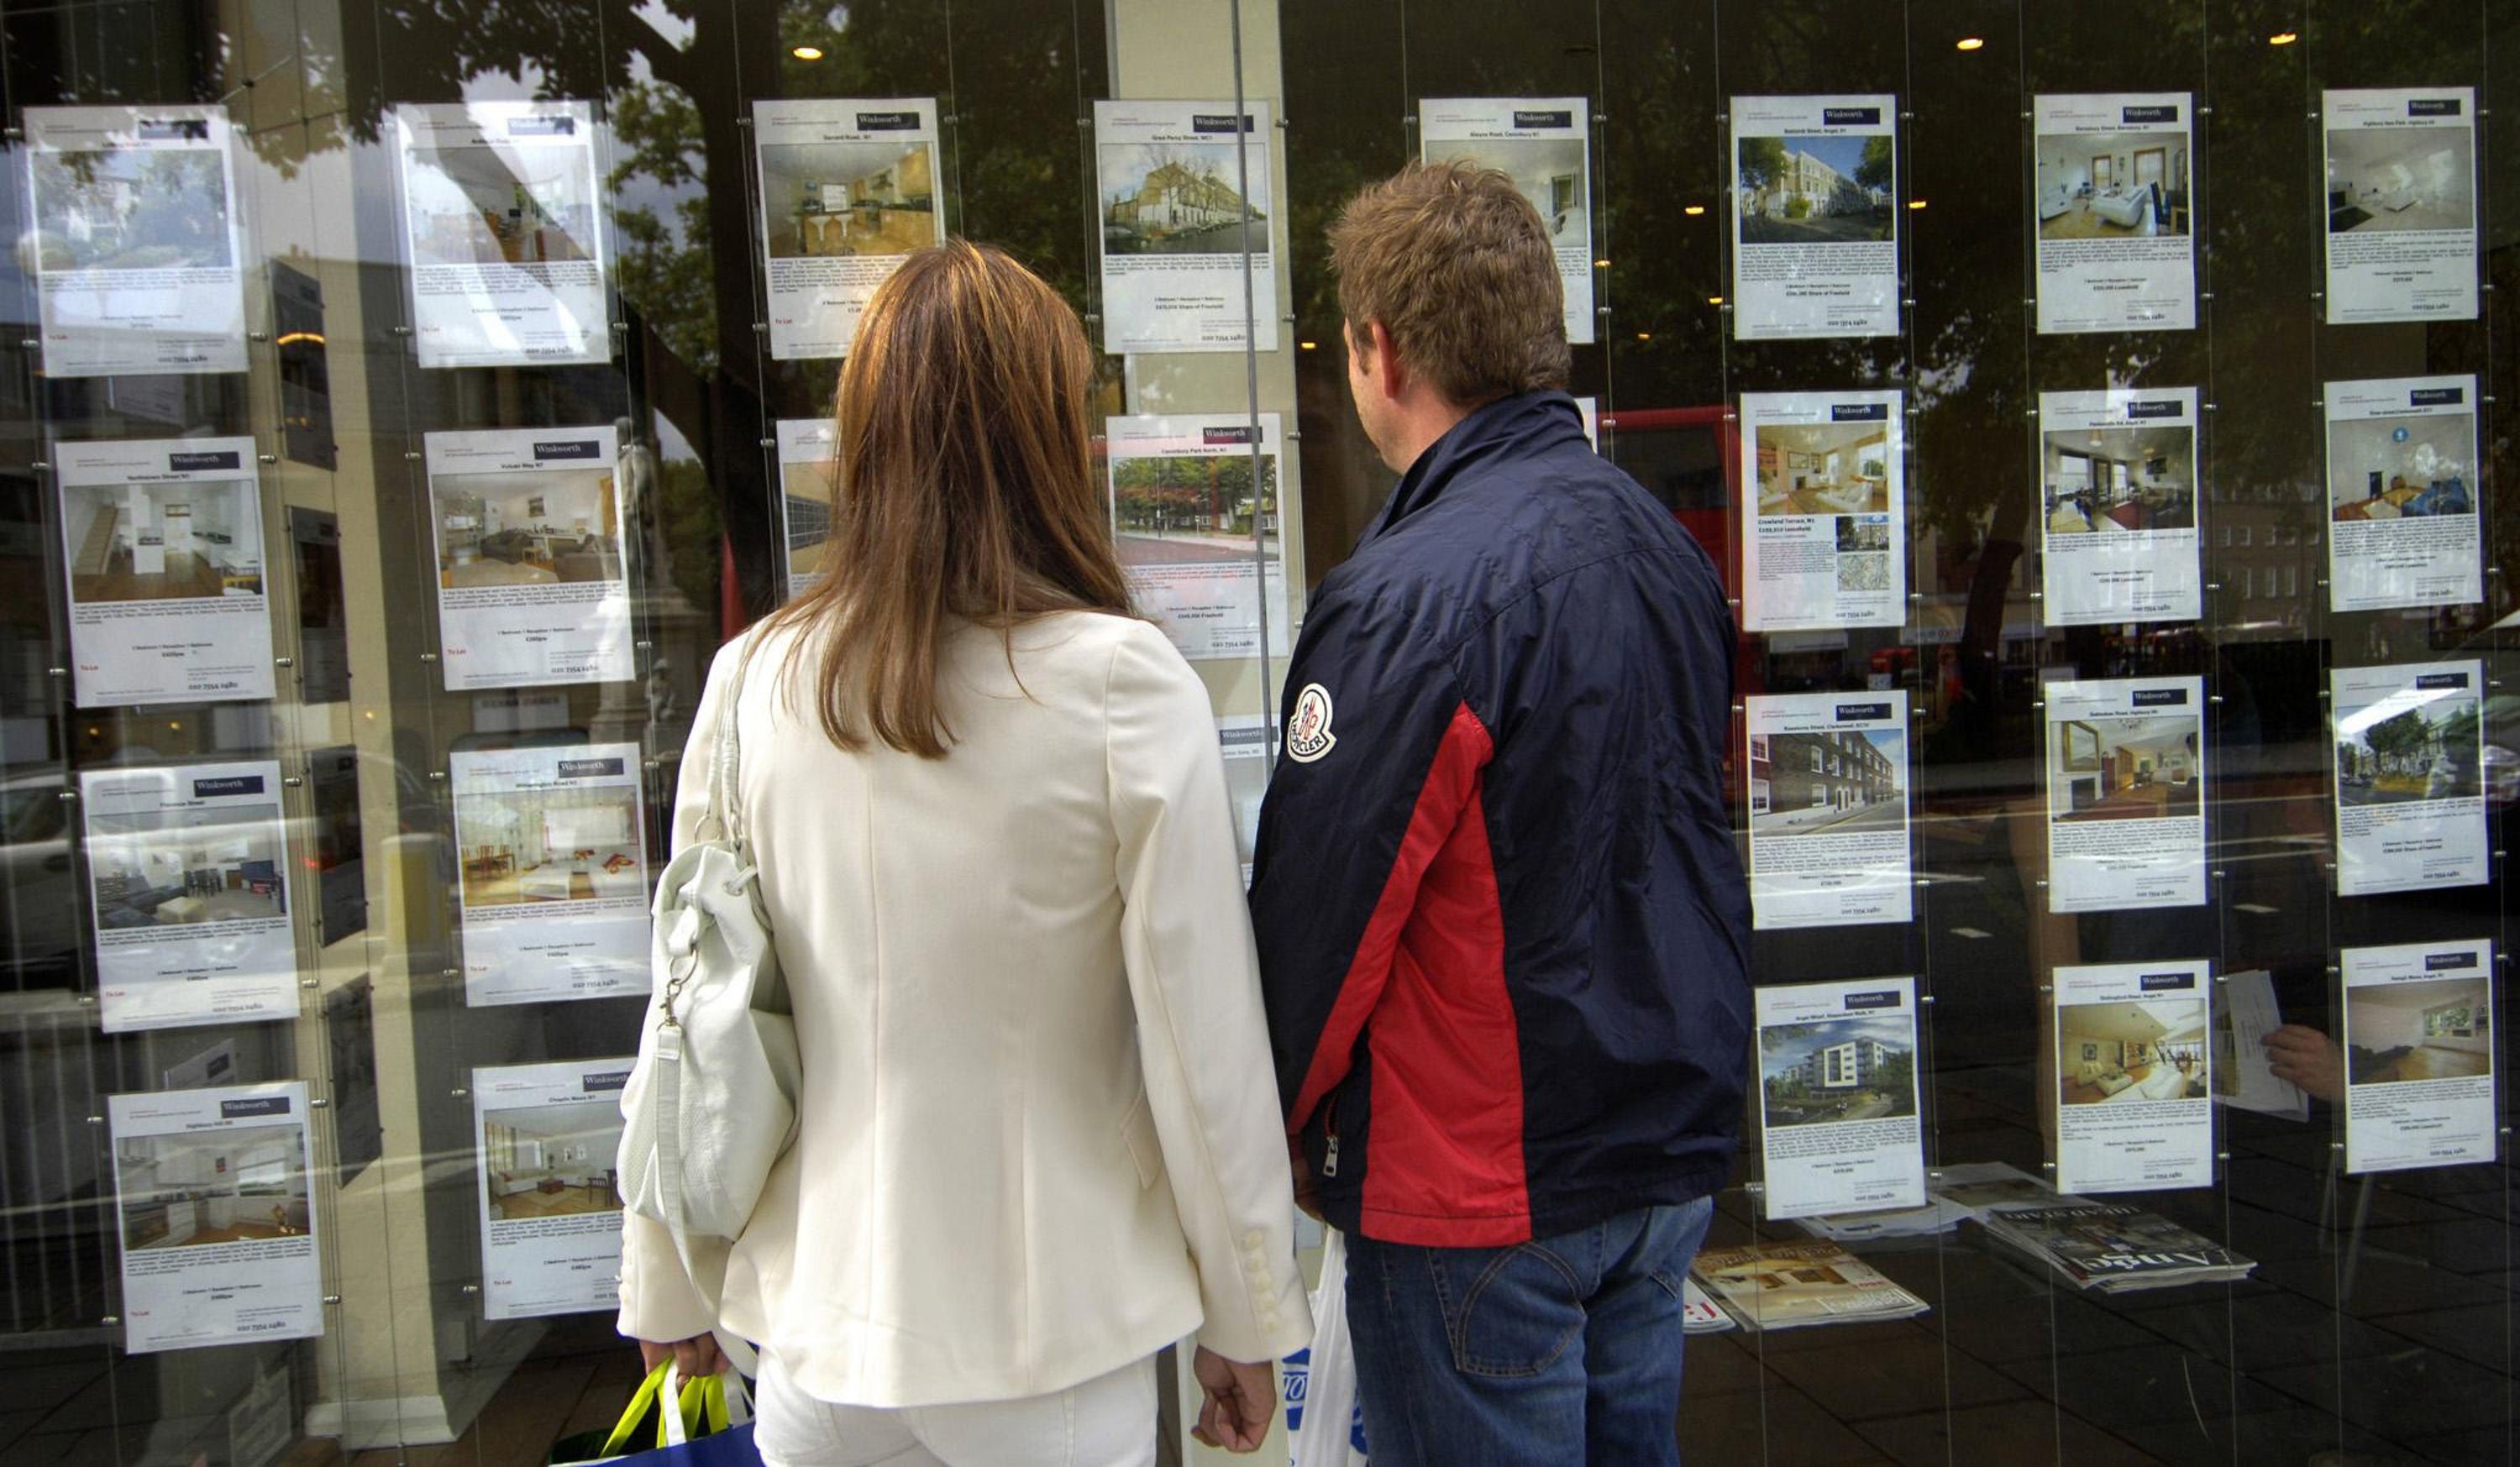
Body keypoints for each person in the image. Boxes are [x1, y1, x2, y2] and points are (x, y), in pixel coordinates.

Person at [618, 240, 1311, 1467]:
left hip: (819, 1342)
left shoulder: (752, 683)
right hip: (1050, 1341)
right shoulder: (1120, 683)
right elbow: (1203, 1050)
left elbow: (694, 1012)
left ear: (866, 439)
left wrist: (667, 1286)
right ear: (1048, 436)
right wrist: (1248, 1313)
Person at [1247, 160, 1751, 1466]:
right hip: (1655, 1162)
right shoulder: (1662, 549)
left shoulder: (1407, 595)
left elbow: (1327, 913)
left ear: (1379, 349)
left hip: (1484, 1191)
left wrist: (1280, 1137)